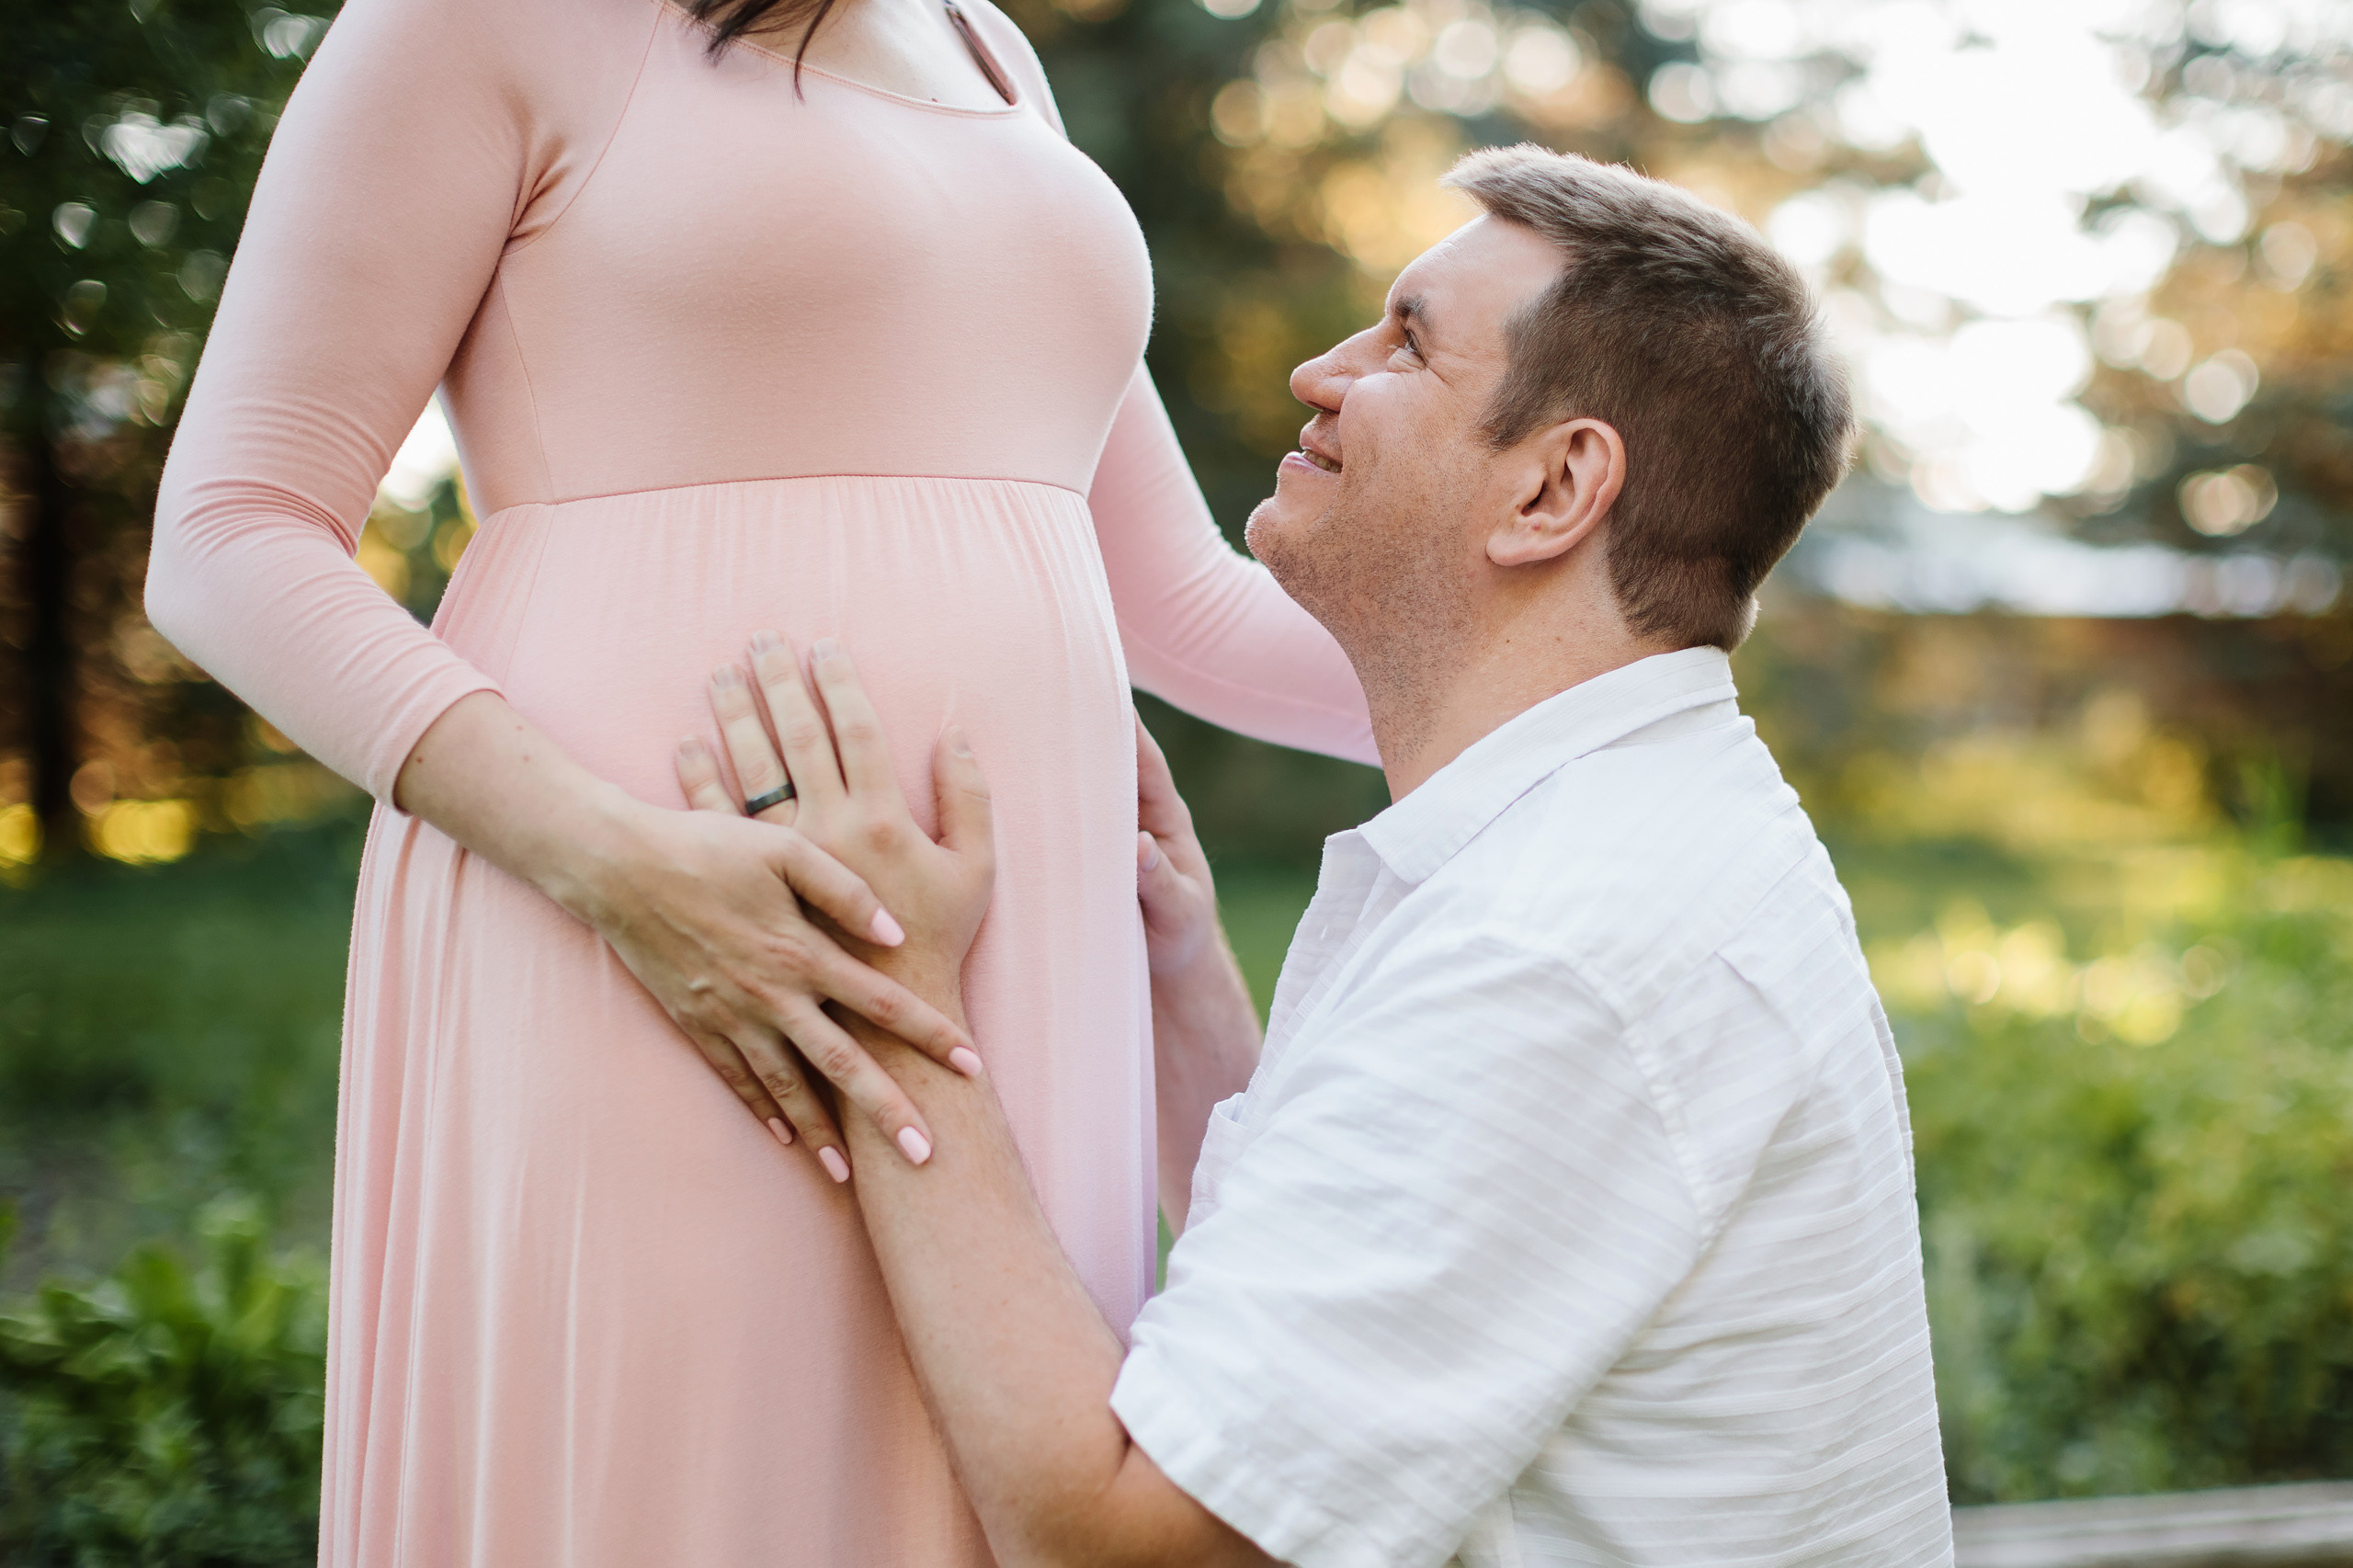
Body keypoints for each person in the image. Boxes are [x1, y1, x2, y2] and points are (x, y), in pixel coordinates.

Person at [140, 0, 1375, 1559]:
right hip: (651, 921)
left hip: (1017, 963)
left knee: (1007, 1452)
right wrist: (624, 869)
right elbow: (230, 530)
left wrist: (1605, 671)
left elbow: (1178, 598)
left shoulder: (983, 41)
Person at [679, 146, 1956, 1567]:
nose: (1320, 372)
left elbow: (1126, 1542)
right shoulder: (1640, 825)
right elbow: (1376, 1287)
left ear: (1551, 491)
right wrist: (1183, 992)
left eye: (1407, 341)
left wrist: (886, 993)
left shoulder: (1555, 948)